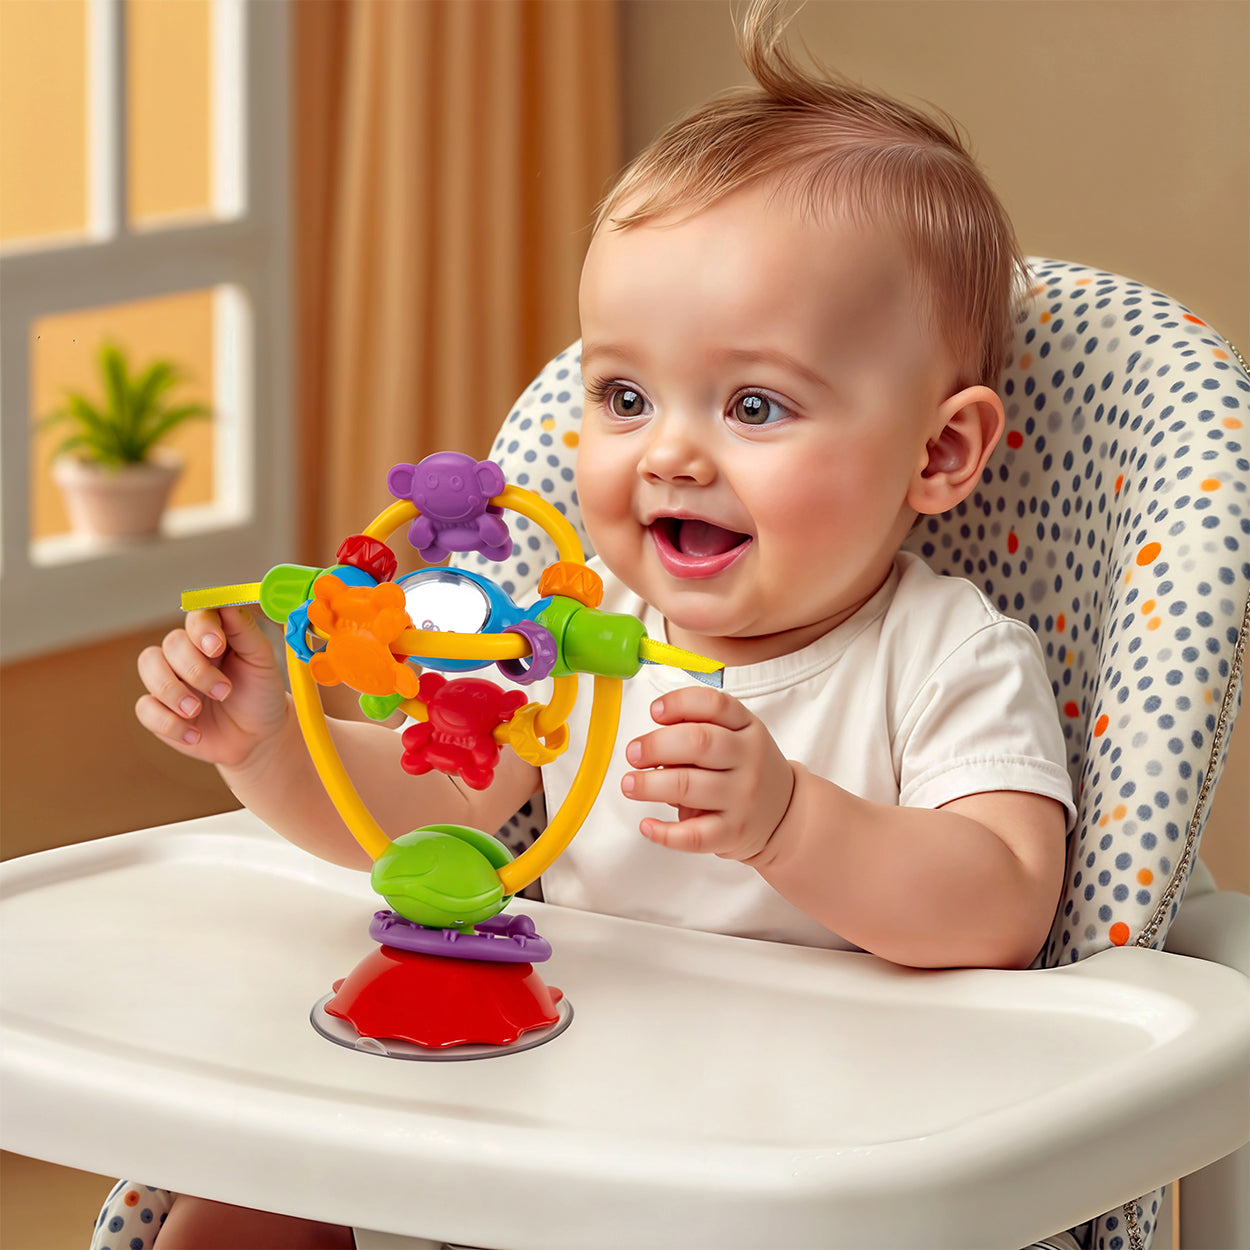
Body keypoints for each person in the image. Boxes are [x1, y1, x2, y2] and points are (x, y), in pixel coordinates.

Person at [121, 3, 1078, 1247]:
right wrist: (269, 745)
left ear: (939, 452)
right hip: (561, 1100)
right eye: (623, 395)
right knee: (253, 1169)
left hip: (814, 1154)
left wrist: (790, 819)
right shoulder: (569, 630)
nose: (668, 452)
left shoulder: (945, 653)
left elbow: (1001, 902)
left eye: (753, 404)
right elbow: (425, 816)